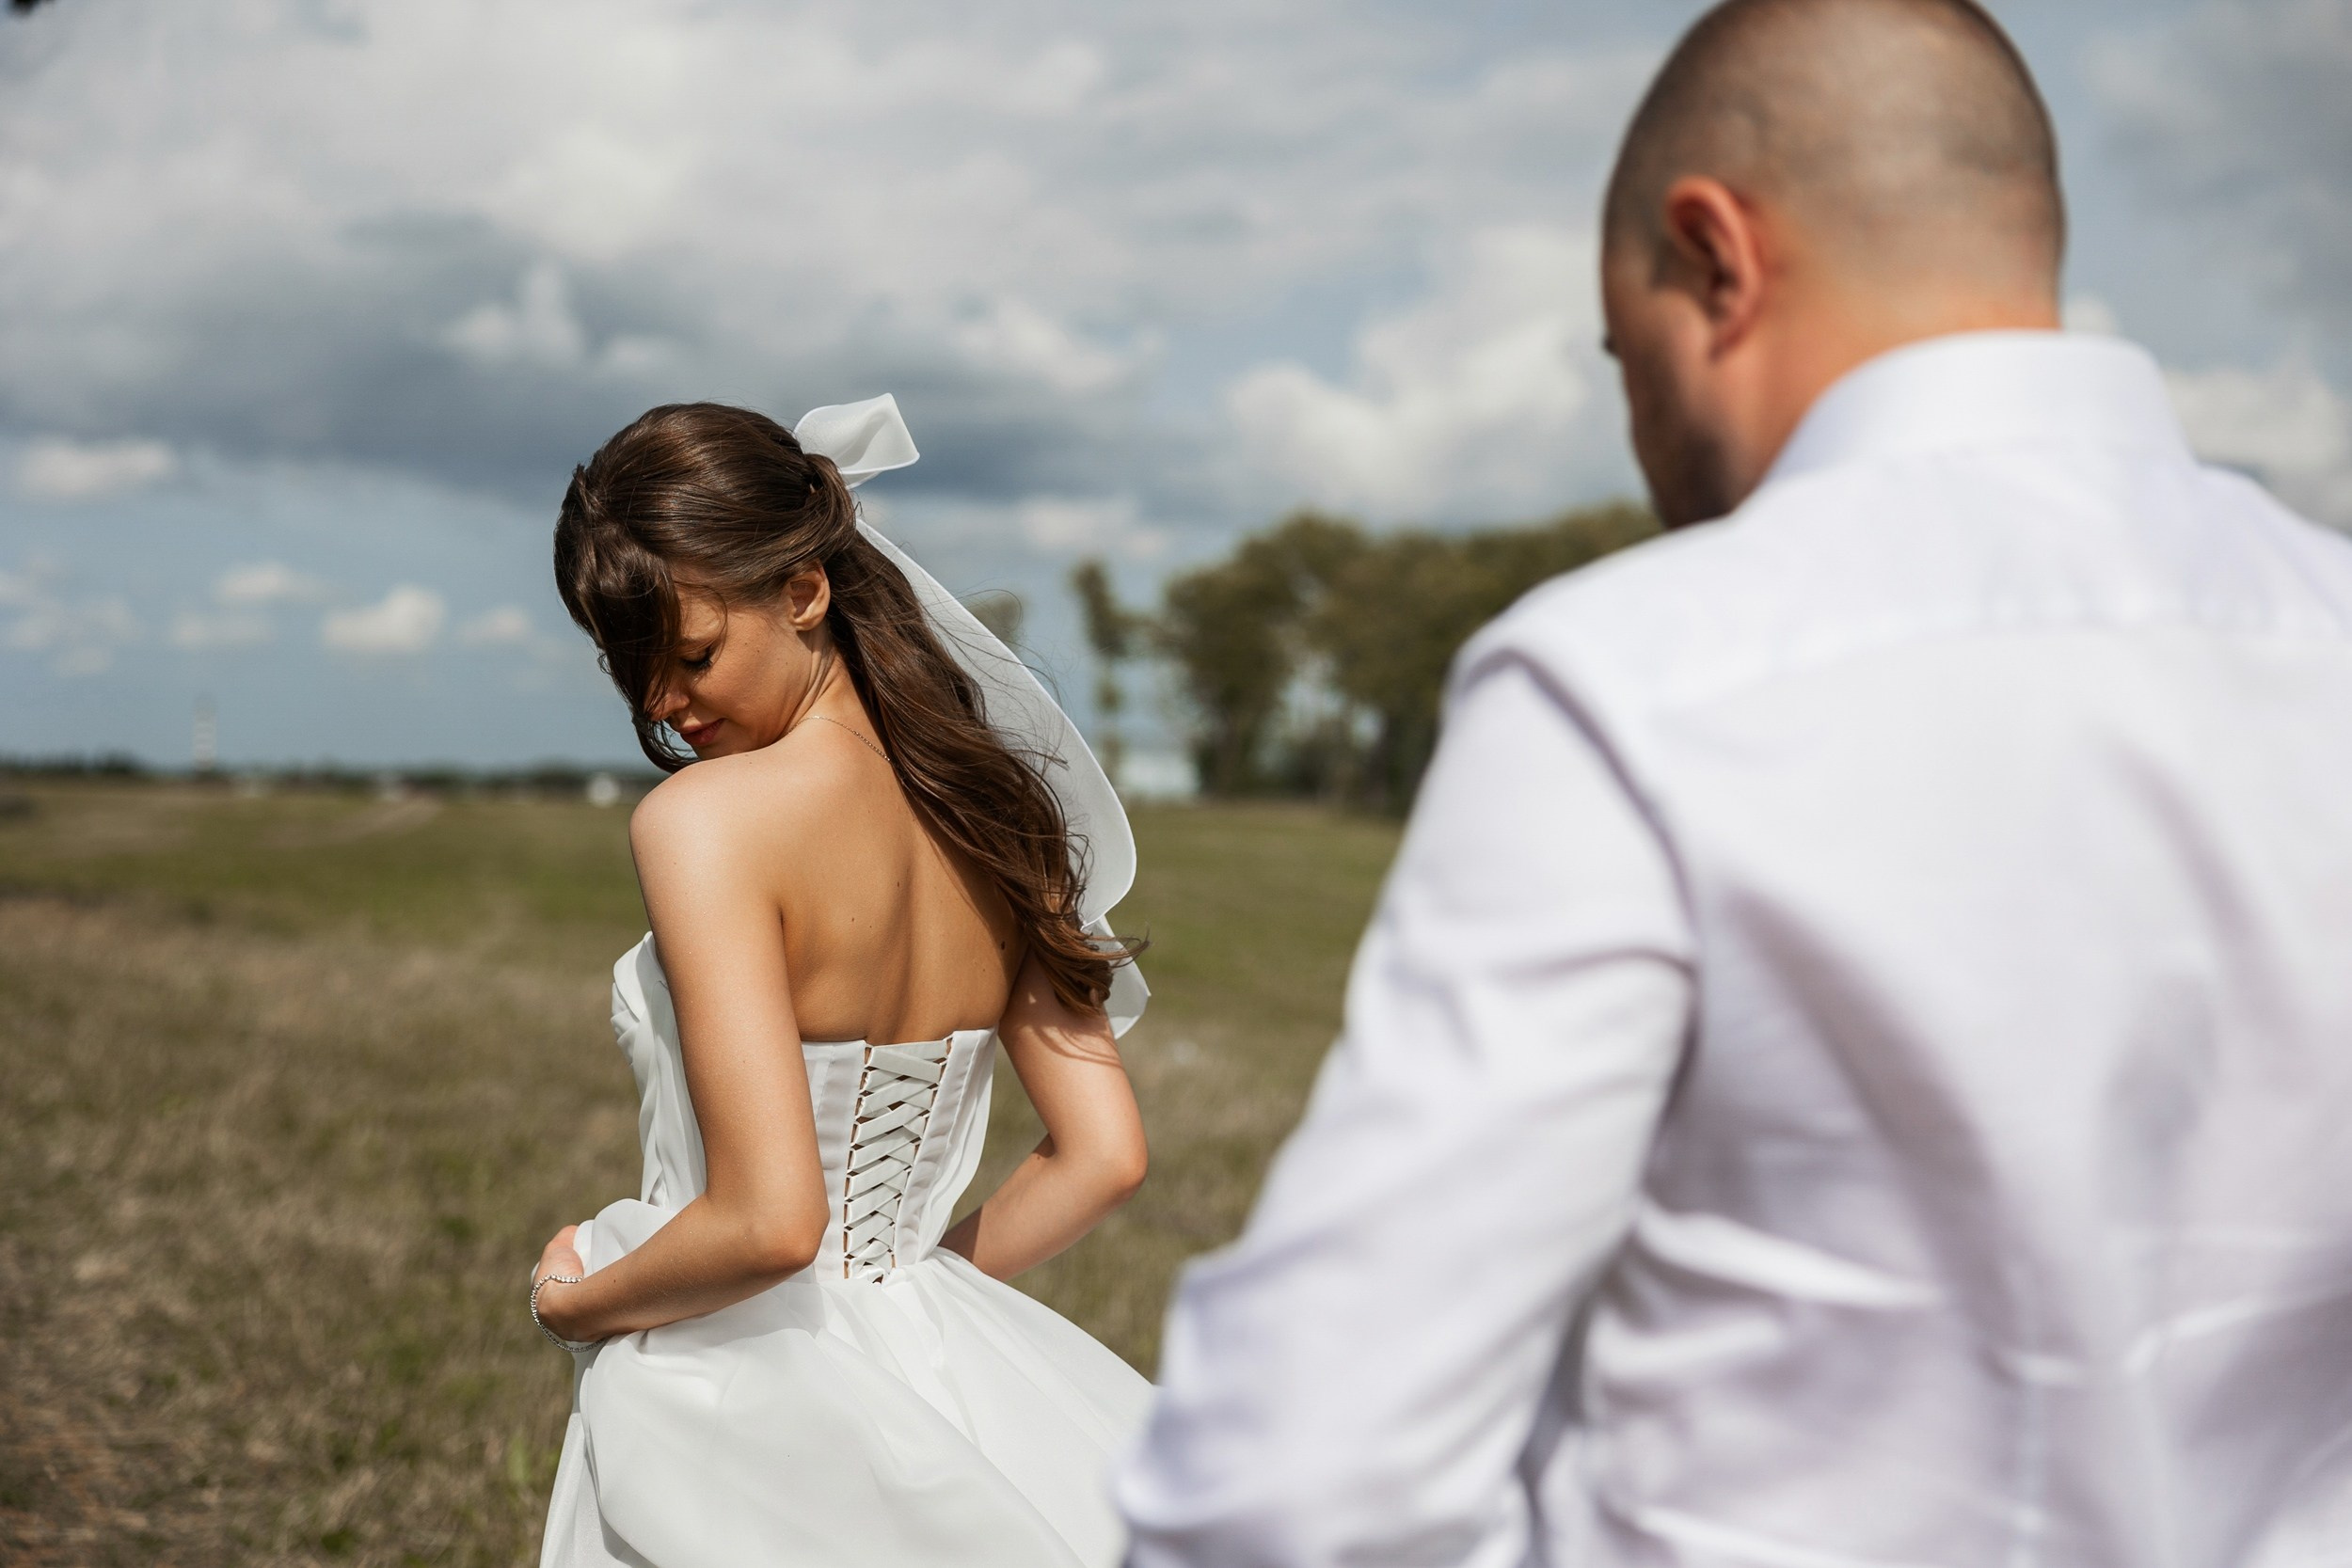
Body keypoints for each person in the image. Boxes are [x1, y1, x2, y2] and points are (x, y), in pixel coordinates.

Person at [1118, 1, 2352, 1563]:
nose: (1640, 433)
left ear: (1716, 260)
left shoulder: (1637, 677)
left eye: (1624, 356)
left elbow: (1300, 1490)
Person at [527, 394, 1153, 1568]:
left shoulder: (706, 824)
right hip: (938, 1358)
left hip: (736, 1396)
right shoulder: (997, 813)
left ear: (805, 590)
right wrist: (905, 1299)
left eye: (694, 654)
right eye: (633, 669)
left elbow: (768, 1221)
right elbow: (1103, 1154)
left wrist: (576, 1301)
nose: (660, 704)